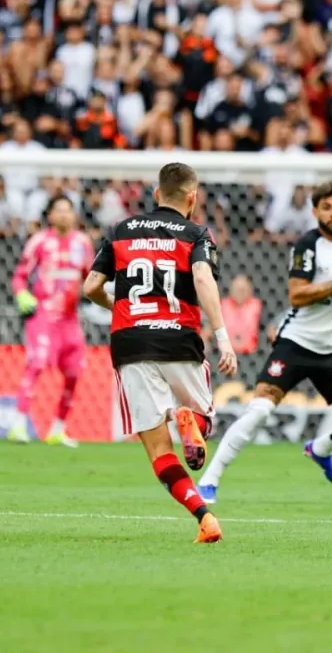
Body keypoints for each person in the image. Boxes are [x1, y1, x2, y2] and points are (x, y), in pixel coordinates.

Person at [197, 181, 332, 503]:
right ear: (315, 211)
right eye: (326, 207)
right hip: (296, 344)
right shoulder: (308, 246)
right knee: (259, 411)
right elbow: (297, 295)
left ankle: (321, 449)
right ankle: (209, 480)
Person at [83, 162, 238, 544]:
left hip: (131, 341)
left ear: (156, 194)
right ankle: (189, 419)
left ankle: (204, 518)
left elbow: (91, 287)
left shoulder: (121, 230)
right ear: (192, 198)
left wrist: (120, 306)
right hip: (178, 338)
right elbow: (202, 278)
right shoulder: (196, 233)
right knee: (203, 421)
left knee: (158, 451)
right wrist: (223, 337)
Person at [8, 195, 95, 447]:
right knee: (36, 363)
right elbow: (20, 275)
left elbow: (91, 276)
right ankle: (18, 425)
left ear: (74, 215)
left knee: (75, 372)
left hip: (70, 318)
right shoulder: (39, 241)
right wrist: (22, 294)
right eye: (59, 210)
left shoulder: (82, 243)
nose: (65, 214)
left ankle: (57, 429)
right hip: (43, 315)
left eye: (69, 210)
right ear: (50, 215)